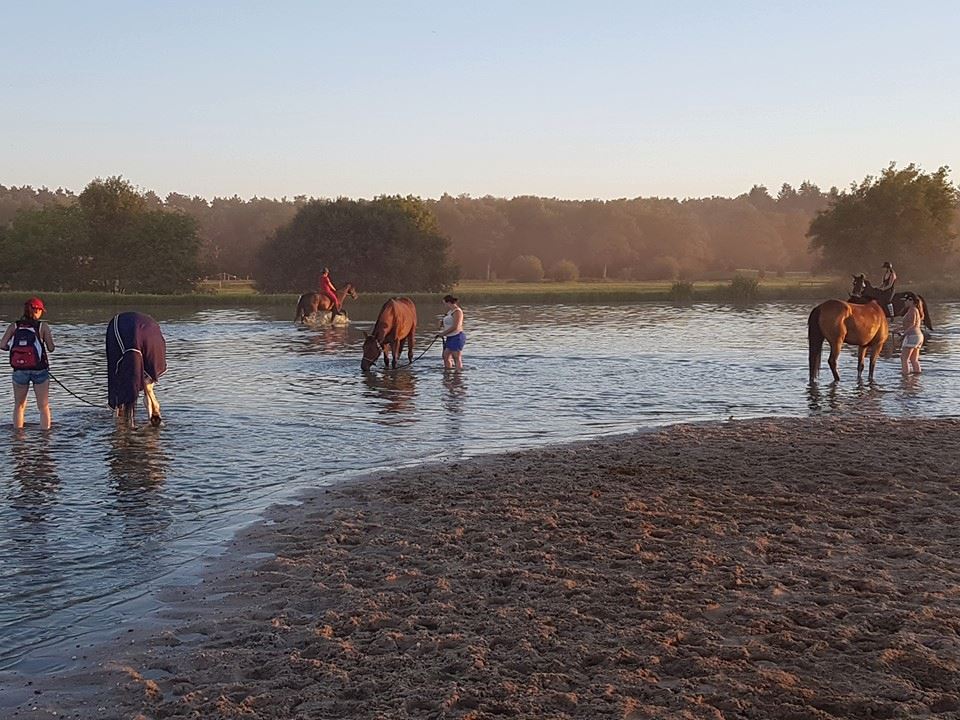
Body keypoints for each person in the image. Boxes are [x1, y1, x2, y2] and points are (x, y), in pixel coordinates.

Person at [0, 297, 55, 429]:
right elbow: (51, 348)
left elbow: (2, 345)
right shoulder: (42, 326)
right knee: (43, 406)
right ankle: (45, 437)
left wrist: (13, 349)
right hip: (39, 369)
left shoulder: (14, 325)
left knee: (19, 405)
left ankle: (18, 436)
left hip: (19, 369)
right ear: (37, 310)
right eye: (41, 310)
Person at [106, 312, 166, 427]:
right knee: (148, 383)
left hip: (129, 331)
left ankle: (122, 413)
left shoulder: (116, 326)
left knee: (121, 374)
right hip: (152, 334)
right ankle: (154, 409)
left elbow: (116, 369)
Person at [436, 295, 465, 369]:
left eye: (444, 303)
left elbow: (455, 326)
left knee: (456, 357)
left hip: (457, 336)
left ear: (448, 302)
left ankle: (458, 375)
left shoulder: (457, 311)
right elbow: (449, 322)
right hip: (450, 337)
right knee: (445, 356)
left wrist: (443, 334)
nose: (444, 305)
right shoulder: (450, 312)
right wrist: (441, 323)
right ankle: (448, 373)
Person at [899, 292, 923, 376]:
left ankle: (905, 378)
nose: (905, 302)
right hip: (918, 336)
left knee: (904, 358)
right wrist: (897, 329)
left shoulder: (912, 310)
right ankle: (917, 377)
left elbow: (912, 324)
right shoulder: (915, 310)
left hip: (912, 336)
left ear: (911, 301)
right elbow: (910, 325)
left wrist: (904, 334)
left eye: (906, 301)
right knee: (914, 359)